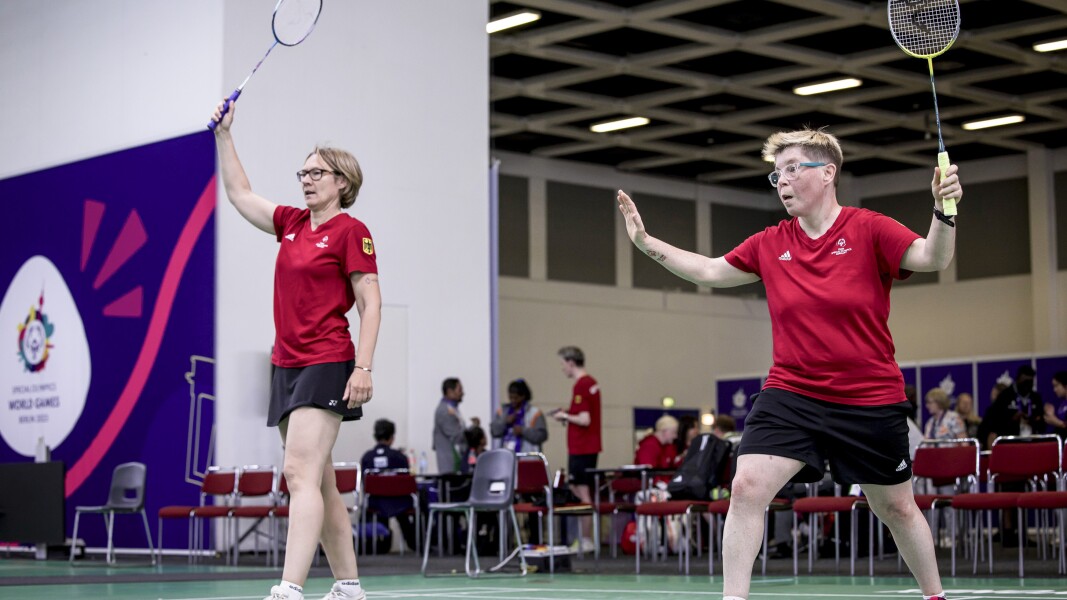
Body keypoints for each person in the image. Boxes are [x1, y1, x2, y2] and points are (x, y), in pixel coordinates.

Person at [617, 127, 961, 600]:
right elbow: (711, 270)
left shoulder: (868, 228)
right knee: (746, 486)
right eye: (775, 174)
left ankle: (935, 596)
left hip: (868, 397)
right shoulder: (770, 241)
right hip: (792, 392)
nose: (781, 181)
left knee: (897, 507)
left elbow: (932, 257)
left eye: (792, 169)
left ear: (827, 173)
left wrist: (944, 211)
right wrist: (646, 244)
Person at [212, 101, 380, 600]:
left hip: (327, 359)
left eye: (317, 172)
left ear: (342, 182)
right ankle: (348, 586)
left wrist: (364, 367)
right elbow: (240, 193)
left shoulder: (353, 232)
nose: (306, 179)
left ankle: (290, 587)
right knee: (321, 481)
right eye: (303, 172)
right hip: (285, 362)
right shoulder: (290, 223)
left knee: (297, 472)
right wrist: (224, 135)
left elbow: (370, 304)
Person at [551, 345, 602, 553]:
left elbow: (584, 419)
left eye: (563, 364)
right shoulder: (591, 384)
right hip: (586, 446)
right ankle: (585, 538)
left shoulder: (582, 385)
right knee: (577, 490)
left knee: (582, 494)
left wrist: (564, 416)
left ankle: (587, 539)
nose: (562, 368)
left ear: (571, 363)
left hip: (582, 448)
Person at [359, 419, 417, 552]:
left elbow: (364, 483)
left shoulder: (367, 457)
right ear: (392, 438)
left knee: (372, 507)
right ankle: (415, 543)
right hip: (400, 503)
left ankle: (374, 544)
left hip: (375, 502)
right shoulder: (400, 457)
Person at [978, 365, 1043, 449]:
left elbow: (1041, 422)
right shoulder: (1005, 396)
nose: (1027, 385)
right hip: (1009, 443)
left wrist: (1033, 420)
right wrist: (1013, 419)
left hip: (1031, 442)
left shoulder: (1035, 397)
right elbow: (994, 424)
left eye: (1030, 381)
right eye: (1025, 381)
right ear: (1018, 379)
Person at [490, 379, 548, 453]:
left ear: (523, 396)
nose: (513, 401)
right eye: (511, 397)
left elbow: (542, 436)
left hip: (528, 458)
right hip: (506, 457)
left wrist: (523, 431)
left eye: (516, 398)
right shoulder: (502, 411)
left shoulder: (535, 413)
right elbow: (494, 432)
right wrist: (505, 421)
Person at [433, 378, 468, 474]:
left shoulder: (452, 409)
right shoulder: (445, 411)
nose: (462, 393)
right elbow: (456, 436)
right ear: (449, 392)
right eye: (459, 390)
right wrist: (472, 431)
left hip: (457, 462)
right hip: (450, 465)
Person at [1043, 371, 1067, 439]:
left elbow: (1060, 423)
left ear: (1065, 385)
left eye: (1056, 386)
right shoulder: (1062, 404)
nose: (1054, 390)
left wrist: (1056, 422)